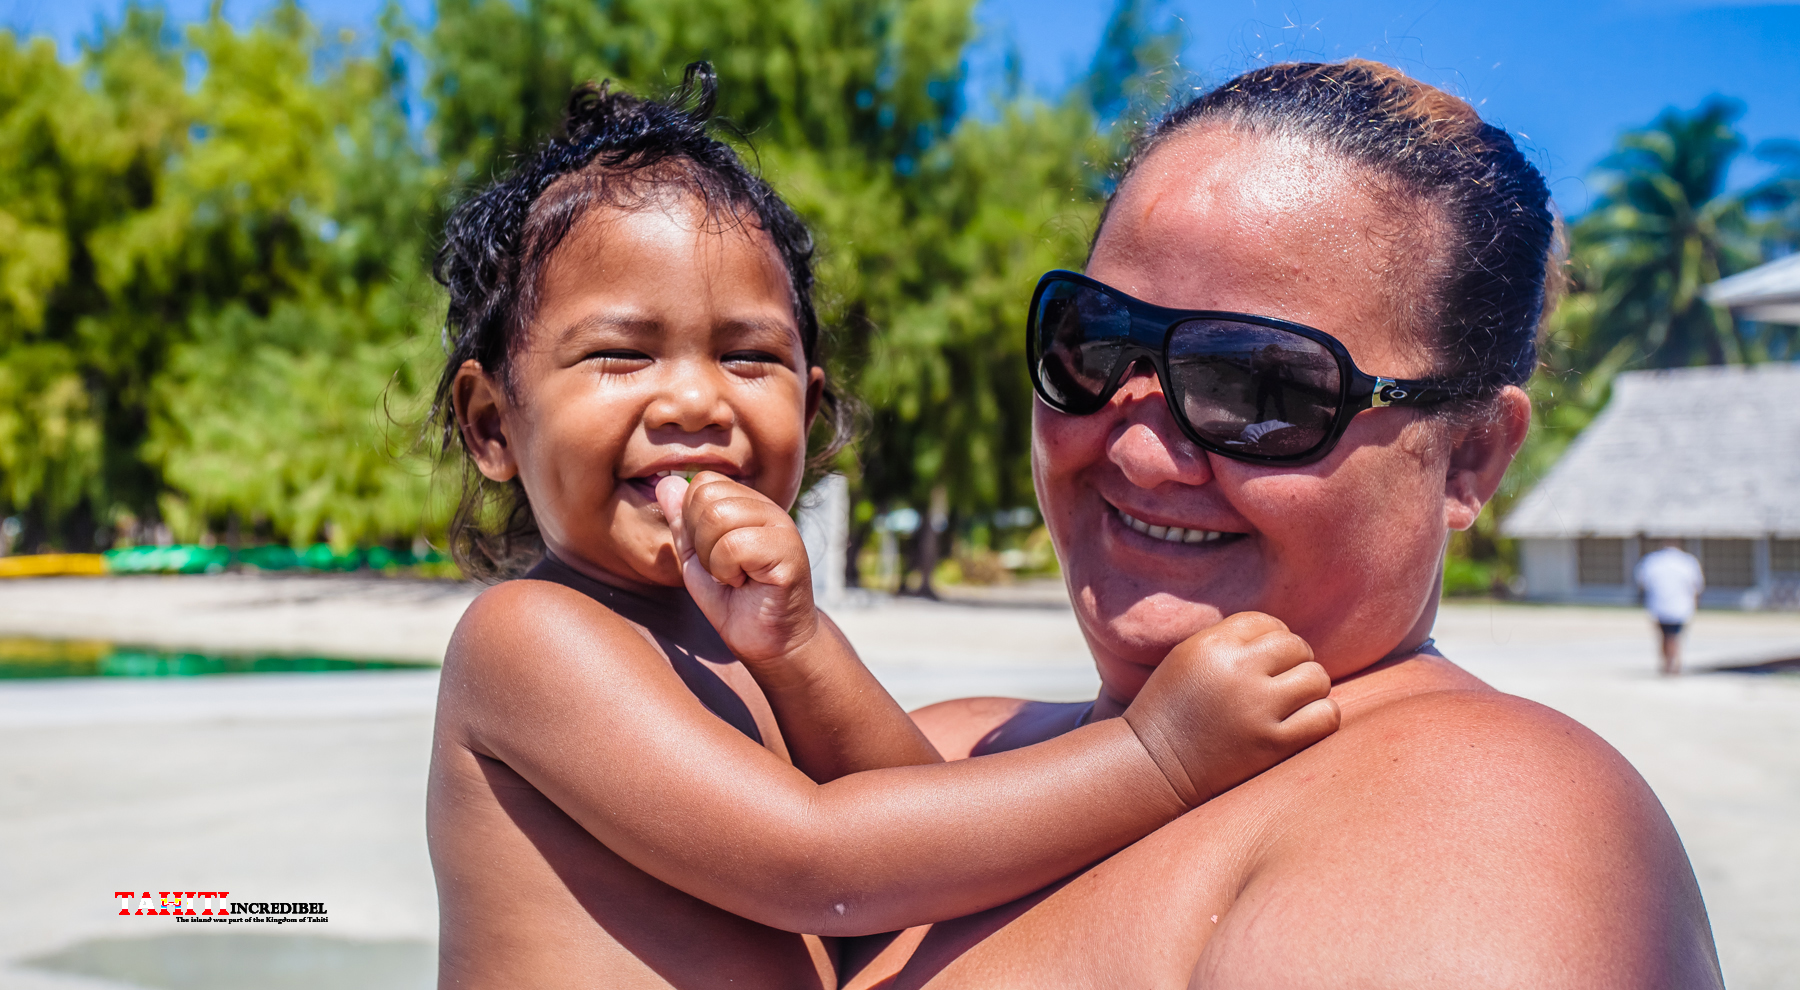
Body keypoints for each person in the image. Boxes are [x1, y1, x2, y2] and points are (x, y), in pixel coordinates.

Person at [424, 64, 1339, 988]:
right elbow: (812, 867)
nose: (696, 401)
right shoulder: (528, 640)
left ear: (811, 406)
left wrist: (797, 643)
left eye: (749, 358)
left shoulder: (741, 639)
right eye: (621, 354)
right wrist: (1159, 756)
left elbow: (917, 811)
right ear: (493, 424)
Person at [843, 60, 1723, 988]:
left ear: (1468, 460)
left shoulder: (1483, 823)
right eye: (1093, 342)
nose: (1139, 451)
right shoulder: (940, 756)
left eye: (1260, 388)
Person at [1636, 539, 1705, 675]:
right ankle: (1673, 664)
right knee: (1674, 636)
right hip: (1680, 606)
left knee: (1665, 636)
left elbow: (1642, 582)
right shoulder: (1687, 561)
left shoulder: (1652, 561)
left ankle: (1668, 663)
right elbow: (1697, 585)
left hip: (1659, 605)